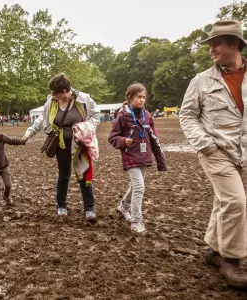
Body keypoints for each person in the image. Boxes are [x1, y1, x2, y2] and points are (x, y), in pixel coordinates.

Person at [179, 20, 247, 288]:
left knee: (225, 199)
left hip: (241, 151)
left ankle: (215, 249)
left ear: (234, 43)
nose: (211, 50)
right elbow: (187, 115)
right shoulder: (201, 81)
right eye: (209, 45)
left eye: (215, 44)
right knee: (236, 201)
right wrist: (204, 144)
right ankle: (232, 260)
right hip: (214, 150)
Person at [23, 74, 101, 221]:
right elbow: (42, 119)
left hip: (80, 144)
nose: (52, 96)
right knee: (63, 175)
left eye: (55, 93)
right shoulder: (51, 102)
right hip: (61, 144)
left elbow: (96, 115)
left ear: (65, 91)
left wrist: (86, 127)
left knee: (84, 174)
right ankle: (61, 205)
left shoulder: (83, 99)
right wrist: (29, 133)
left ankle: (89, 208)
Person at [108, 83, 167, 233]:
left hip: (144, 155)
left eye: (144, 97)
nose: (142, 100)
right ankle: (136, 221)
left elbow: (154, 139)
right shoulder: (122, 116)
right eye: (139, 97)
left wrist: (161, 161)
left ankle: (123, 206)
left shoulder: (147, 116)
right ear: (130, 98)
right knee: (139, 187)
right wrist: (123, 141)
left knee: (135, 186)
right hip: (130, 155)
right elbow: (113, 137)